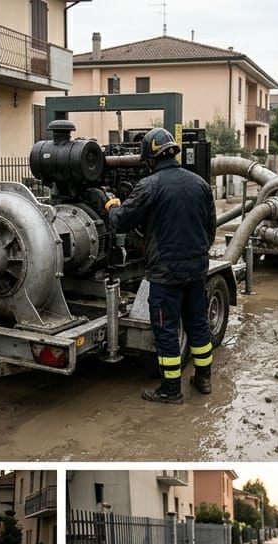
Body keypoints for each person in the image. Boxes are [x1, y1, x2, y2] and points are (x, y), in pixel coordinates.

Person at [103, 127, 218, 404]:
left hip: (166, 275)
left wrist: (111, 205)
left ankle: (171, 390)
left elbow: (121, 221)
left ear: (150, 159)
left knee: (166, 331)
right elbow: (211, 228)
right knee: (198, 325)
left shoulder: (149, 186)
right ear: (173, 153)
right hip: (195, 269)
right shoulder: (200, 184)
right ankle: (203, 379)